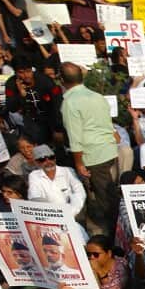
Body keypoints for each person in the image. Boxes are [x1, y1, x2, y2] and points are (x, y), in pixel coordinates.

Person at [60, 62, 121, 233]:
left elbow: (75, 137)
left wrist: (79, 163)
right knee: (109, 195)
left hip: (93, 156)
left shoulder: (70, 103)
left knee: (105, 201)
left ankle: (113, 236)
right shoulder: (97, 96)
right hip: (109, 151)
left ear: (61, 80)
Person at [27, 145, 87, 221]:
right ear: (37, 163)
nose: (48, 162)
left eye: (51, 157)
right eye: (42, 160)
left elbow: (80, 192)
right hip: (50, 216)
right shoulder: (34, 176)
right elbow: (35, 198)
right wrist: (56, 216)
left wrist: (71, 213)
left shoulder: (68, 171)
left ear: (55, 158)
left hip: (73, 213)